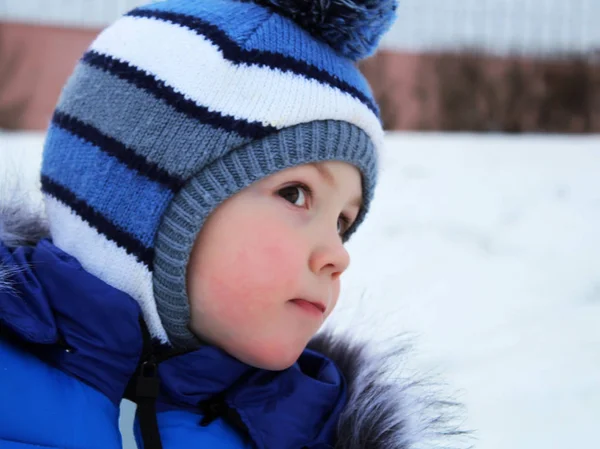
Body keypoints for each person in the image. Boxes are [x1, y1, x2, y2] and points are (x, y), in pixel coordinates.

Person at [0, 0, 466, 448]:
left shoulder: (310, 431)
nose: (337, 255)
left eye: (342, 222)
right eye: (295, 194)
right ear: (138, 203)